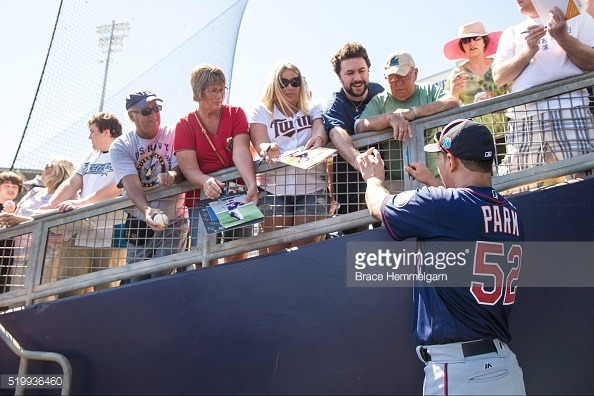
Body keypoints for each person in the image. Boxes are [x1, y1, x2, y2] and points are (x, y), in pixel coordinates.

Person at [356, 119, 526, 395]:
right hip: (504, 366)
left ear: (451, 160)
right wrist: (435, 183)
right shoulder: (511, 212)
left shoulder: (441, 205)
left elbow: (379, 206)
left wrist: (373, 178)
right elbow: (468, 210)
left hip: (460, 371)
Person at [492, 0, 594, 185]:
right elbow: (499, 76)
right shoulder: (512, 32)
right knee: (516, 184)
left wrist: (562, 37)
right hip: (524, 115)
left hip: (570, 107)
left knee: (585, 176)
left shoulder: (579, 19)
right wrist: (528, 51)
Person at [174, 63, 257, 262]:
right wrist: (205, 181)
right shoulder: (185, 124)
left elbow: (240, 151)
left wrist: (251, 184)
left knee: (238, 252)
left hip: (237, 195)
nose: (220, 95)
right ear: (198, 91)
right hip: (201, 199)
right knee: (203, 256)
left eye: (222, 89)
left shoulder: (236, 113)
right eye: (213, 90)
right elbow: (189, 168)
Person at [250, 62, 330, 253]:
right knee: (276, 252)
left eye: (295, 82)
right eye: (283, 82)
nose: (289, 87)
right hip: (274, 190)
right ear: (274, 85)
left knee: (304, 250)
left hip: (312, 187)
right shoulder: (262, 110)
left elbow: (319, 127)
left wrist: (318, 137)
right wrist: (267, 148)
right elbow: (259, 141)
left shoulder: (313, 107)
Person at [110, 90, 188, 283]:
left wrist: (173, 174)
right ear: (131, 116)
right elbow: (131, 183)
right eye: (146, 111)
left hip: (174, 219)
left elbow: (184, 165)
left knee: (163, 277)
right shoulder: (121, 145)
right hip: (139, 221)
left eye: (156, 108)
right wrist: (146, 210)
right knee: (137, 279)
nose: (154, 114)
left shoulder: (174, 133)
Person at [45, 112, 125, 296]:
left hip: (111, 230)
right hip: (81, 230)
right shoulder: (91, 155)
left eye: (92, 131)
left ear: (107, 131)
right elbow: (73, 182)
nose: (89, 136)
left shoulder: (124, 150)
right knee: (68, 286)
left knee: (106, 289)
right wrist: (52, 205)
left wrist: (82, 203)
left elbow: (119, 185)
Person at [354, 51, 460, 188]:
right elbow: (359, 125)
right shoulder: (380, 101)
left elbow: (453, 102)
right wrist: (389, 117)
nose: (398, 83)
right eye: (392, 78)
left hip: (435, 178)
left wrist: (415, 112)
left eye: (403, 76)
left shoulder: (428, 90)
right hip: (397, 182)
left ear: (415, 73)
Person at [323, 42, 385, 231]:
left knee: (389, 243)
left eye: (362, 71)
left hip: (384, 183)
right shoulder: (334, 105)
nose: (357, 78)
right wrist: (359, 161)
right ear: (339, 77)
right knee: (357, 250)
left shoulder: (380, 92)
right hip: (350, 192)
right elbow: (337, 133)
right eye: (350, 73)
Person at [0, 158, 77, 290]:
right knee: (15, 294)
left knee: (38, 295)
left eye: (48, 166)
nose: (43, 169)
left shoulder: (70, 195)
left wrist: (20, 220)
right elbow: (18, 213)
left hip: (46, 256)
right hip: (17, 254)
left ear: (59, 171)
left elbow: (60, 224)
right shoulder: (34, 192)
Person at [443, 22, 509, 163]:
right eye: (466, 40)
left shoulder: (499, 64)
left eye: (476, 38)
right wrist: (454, 93)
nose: (471, 43)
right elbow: (447, 104)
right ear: (463, 46)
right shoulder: (457, 73)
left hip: (508, 132)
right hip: (476, 138)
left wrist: (497, 99)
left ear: (484, 42)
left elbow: (515, 90)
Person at [0, 171, 23, 293]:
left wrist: (13, 214)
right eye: (7, 186)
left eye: (15, 187)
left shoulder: (20, 209)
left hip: (7, 256)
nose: (11, 189)